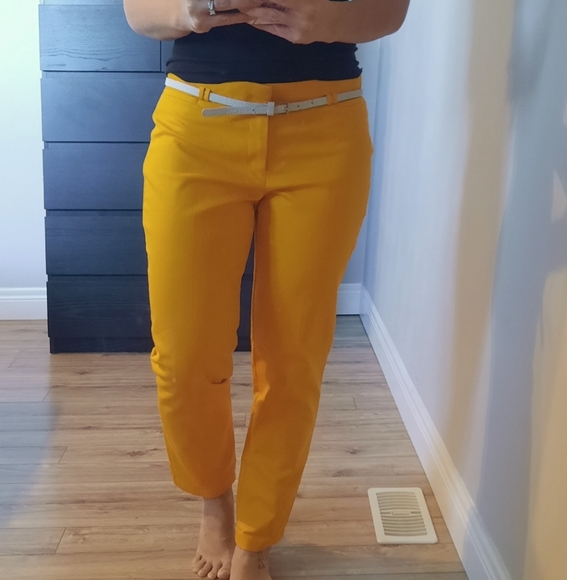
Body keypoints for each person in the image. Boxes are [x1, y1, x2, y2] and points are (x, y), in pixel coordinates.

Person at [122, 1, 409, 579]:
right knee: (183, 354)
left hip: (325, 128)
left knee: (293, 360)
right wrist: (188, 10)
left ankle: (256, 534)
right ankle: (215, 501)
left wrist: (325, 22)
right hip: (196, 125)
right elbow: (138, 12)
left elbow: (391, 9)